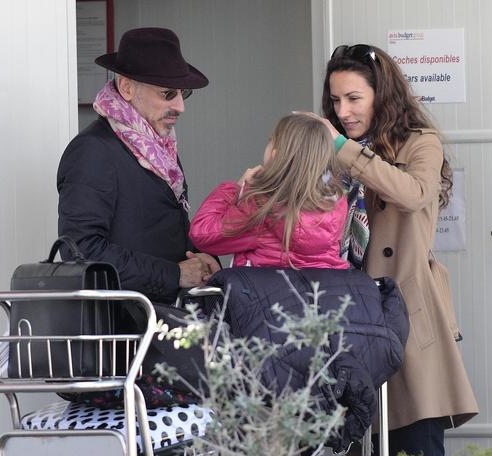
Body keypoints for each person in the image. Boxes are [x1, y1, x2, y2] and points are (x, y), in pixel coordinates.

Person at [311, 44, 479, 456]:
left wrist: (342, 148)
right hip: (349, 319)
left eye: (354, 98)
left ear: (381, 96)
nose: (343, 111)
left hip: (407, 316)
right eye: (335, 100)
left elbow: (414, 193)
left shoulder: (420, 144)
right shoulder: (332, 153)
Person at [57, 27, 220, 394]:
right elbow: (80, 251)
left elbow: (151, 229)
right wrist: (173, 273)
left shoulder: (153, 146)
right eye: (168, 93)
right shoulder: (94, 151)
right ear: (127, 87)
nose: (180, 105)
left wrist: (198, 259)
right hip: (119, 354)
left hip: (156, 343)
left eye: (183, 93)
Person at [189, 113, 350, 270]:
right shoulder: (336, 203)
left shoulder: (262, 205)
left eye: (270, 141)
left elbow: (202, 234)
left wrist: (234, 189)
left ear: (275, 155)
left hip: (267, 295)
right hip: (318, 294)